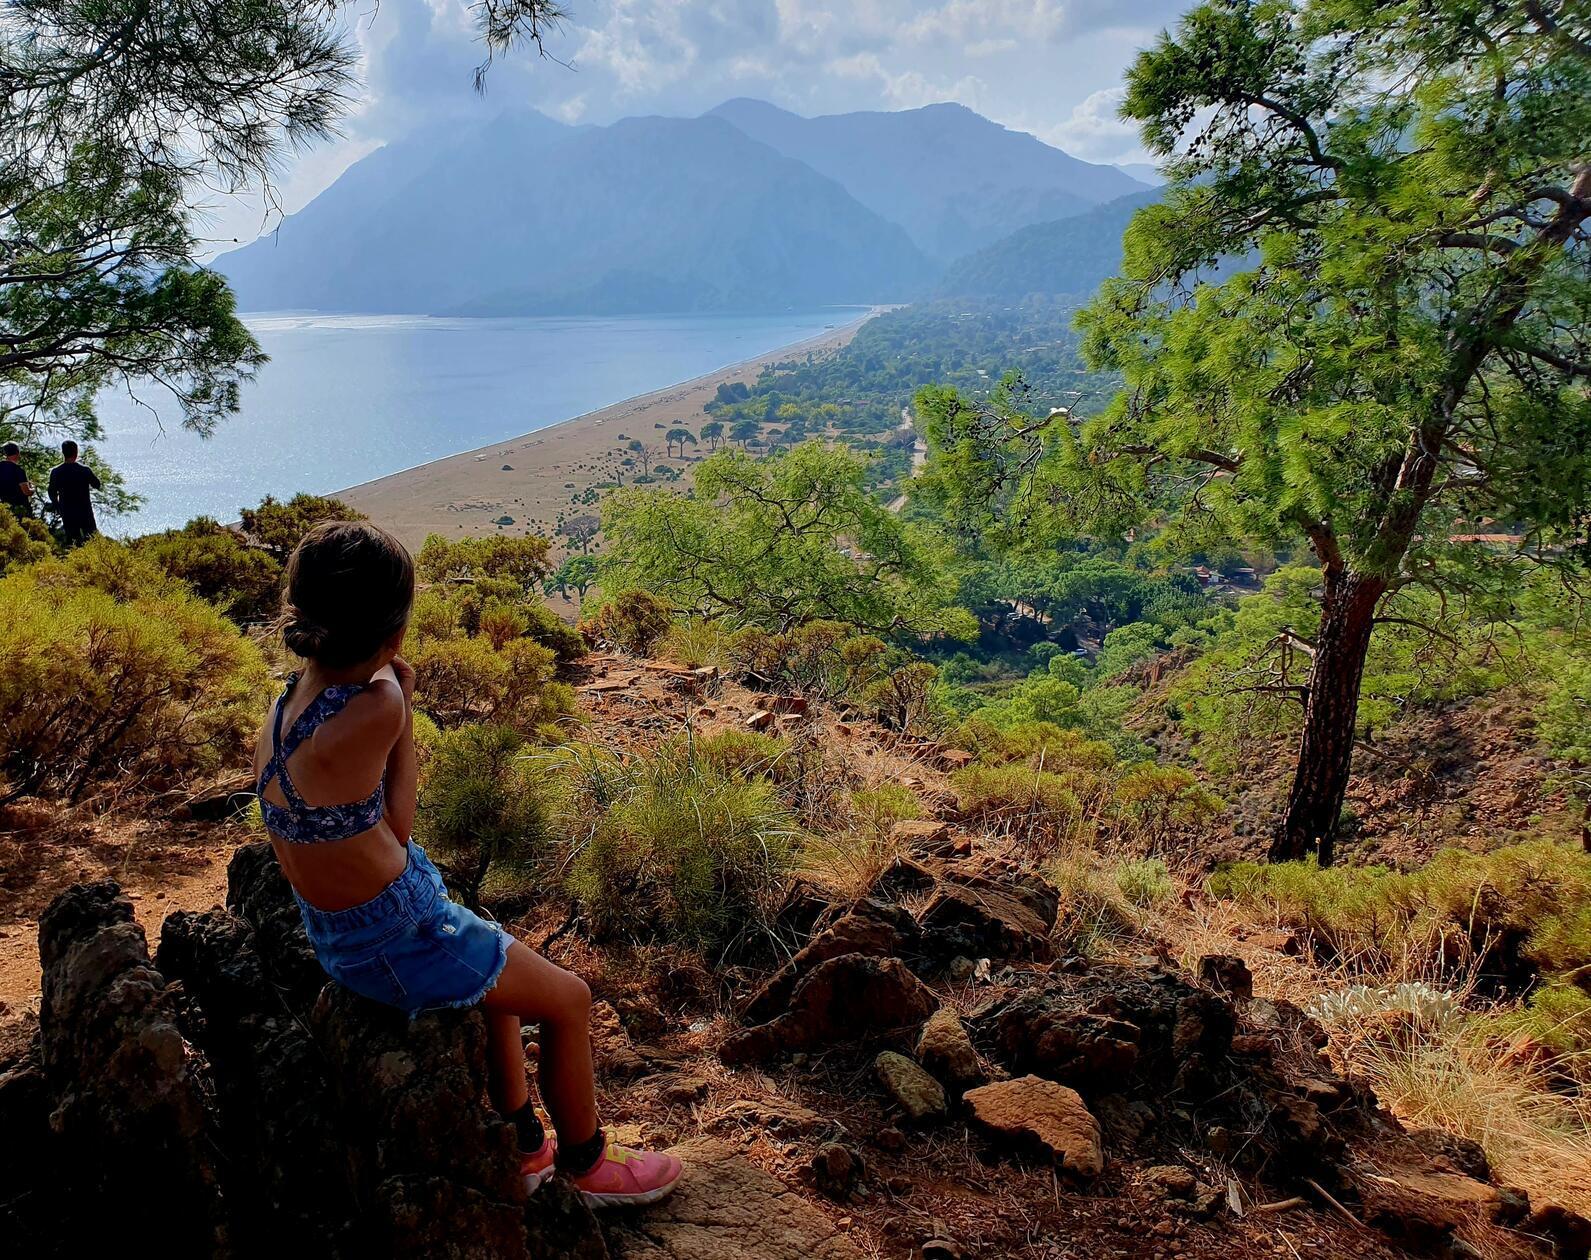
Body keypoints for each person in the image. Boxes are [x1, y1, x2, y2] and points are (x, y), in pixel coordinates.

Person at [253, 521, 681, 1207]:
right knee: (569, 1001)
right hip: (397, 939)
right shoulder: (380, 705)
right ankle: (588, 1163)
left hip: (342, 938)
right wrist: (406, 710)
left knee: (496, 980)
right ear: (392, 634)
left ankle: (522, 1146)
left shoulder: (285, 708)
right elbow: (398, 823)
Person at [48, 439, 101, 544]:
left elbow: (52, 492)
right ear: (76, 452)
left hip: (67, 511)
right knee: (92, 539)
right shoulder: (84, 470)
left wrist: (57, 506)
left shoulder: (56, 472)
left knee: (72, 540)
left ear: (63, 453)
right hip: (85, 510)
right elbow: (97, 484)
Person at [0, 442, 32, 519]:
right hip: (19, 510)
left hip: (3, 508)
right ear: (17, 453)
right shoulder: (19, 470)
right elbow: (26, 491)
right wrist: (33, 488)